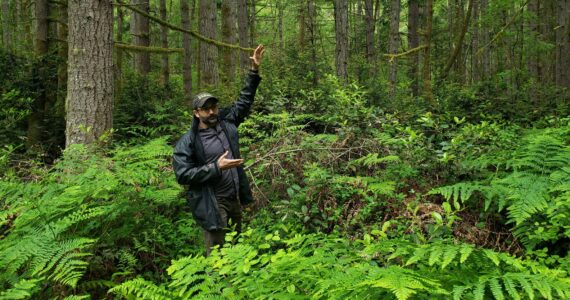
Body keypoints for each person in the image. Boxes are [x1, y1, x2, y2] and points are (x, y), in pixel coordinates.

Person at [173, 45, 265, 256]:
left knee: (236, 249)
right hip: (214, 203)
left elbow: (244, 101)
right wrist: (216, 167)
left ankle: (236, 285)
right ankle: (216, 287)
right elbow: (183, 174)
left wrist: (254, 71)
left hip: (234, 198)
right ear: (197, 113)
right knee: (217, 254)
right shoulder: (188, 142)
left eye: (214, 107)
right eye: (206, 109)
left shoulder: (226, 123)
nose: (212, 112)